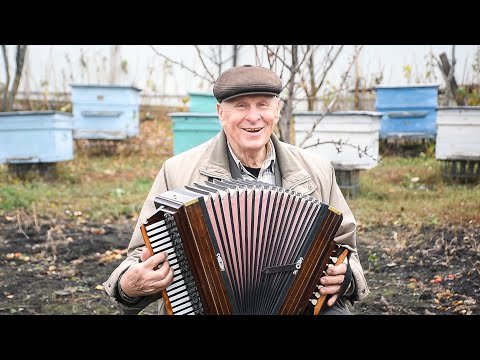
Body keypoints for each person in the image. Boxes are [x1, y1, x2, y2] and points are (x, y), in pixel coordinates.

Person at [103, 64, 370, 315]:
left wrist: (348, 277)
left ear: (277, 110)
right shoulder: (177, 171)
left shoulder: (317, 170)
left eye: (262, 105)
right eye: (241, 106)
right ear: (221, 113)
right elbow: (141, 256)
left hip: (298, 303)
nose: (253, 117)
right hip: (208, 306)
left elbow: (346, 248)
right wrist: (127, 286)